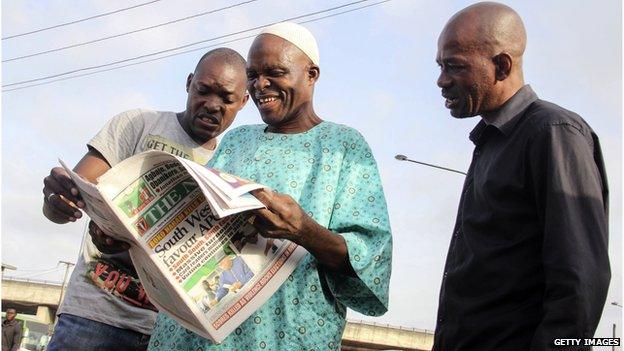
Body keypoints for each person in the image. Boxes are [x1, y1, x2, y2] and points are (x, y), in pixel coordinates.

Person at [147, 22, 393, 350]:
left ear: (311, 74)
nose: (260, 85)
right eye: (253, 74)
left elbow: (371, 257)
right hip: (195, 331)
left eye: (274, 72)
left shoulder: (343, 146)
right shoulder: (236, 140)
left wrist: (303, 230)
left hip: (284, 332)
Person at [41, 48, 249, 351]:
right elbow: (68, 200)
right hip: (96, 315)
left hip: (171, 336)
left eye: (227, 99)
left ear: (243, 102)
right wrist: (56, 201)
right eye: (203, 90)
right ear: (189, 83)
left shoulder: (233, 163)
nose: (212, 105)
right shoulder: (137, 125)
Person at [433, 3, 610, 350]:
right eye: (440, 66)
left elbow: (579, 282)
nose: (441, 80)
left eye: (454, 65)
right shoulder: (491, 141)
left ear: (501, 65)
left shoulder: (553, 132)